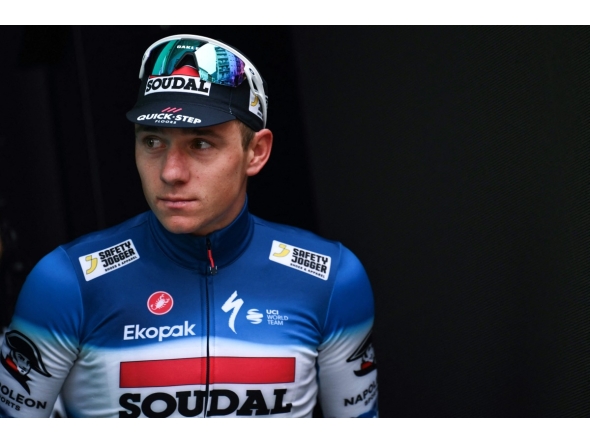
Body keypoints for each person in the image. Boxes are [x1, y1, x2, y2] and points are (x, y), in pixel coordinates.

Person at [0, 34, 378, 418]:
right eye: (152, 141)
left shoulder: (331, 278)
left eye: (200, 144)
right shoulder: (66, 282)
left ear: (256, 152)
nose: (170, 172)